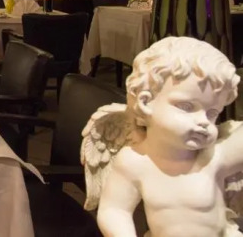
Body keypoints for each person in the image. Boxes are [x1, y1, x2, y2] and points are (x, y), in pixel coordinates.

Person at [85, 37, 243, 236]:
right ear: (146, 102)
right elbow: (114, 210)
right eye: (187, 107)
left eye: (212, 114)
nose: (204, 121)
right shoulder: (133, 162)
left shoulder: (213, 157)